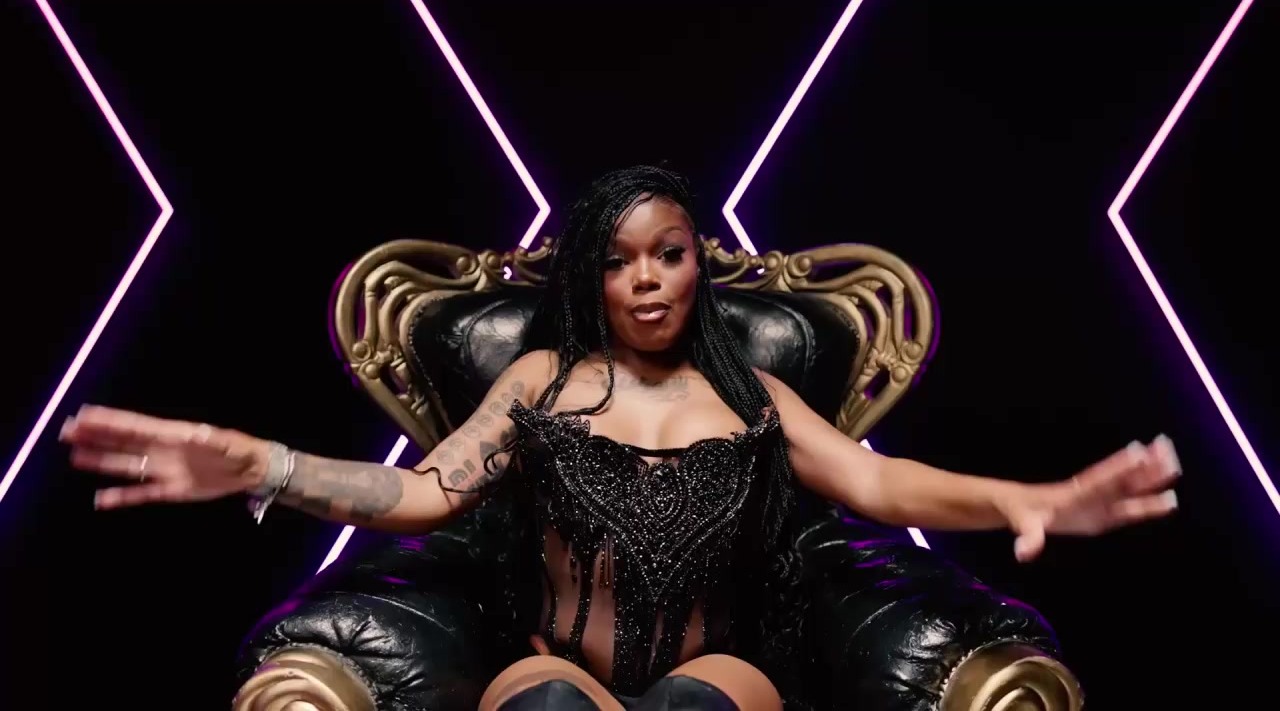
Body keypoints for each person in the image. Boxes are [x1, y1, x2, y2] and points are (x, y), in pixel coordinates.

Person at [60, 165, 1180, 711]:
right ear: (588, 276)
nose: (646, 280)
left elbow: (881, 487)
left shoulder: (751, 395)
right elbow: (422, 495)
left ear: (698, 264)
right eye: (617, 260)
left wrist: (1029, 499)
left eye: (670, 254)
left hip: (719, 674)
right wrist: (266, 466)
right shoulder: (540, 381)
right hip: (552, 668)